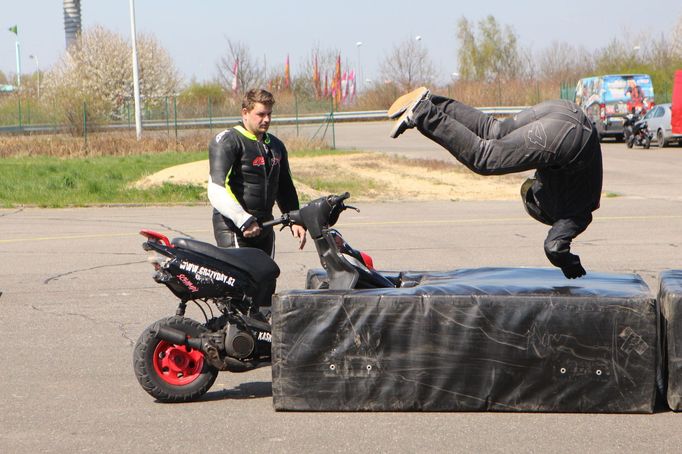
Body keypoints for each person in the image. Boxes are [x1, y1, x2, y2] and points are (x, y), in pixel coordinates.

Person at [388, 88, 603, 279]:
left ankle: (432, 101)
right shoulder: (577, 214)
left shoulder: (570, 188)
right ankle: (424, 110)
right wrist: (569, 264)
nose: (537, 182)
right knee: (485, 158)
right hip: (569, 138)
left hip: (566, 110)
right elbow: (555, 247)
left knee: (493, 130)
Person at [208, 89, 306, 311]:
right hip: (233, 226)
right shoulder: (228, 141)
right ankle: (231, 339)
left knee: (265, 286)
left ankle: (260, 343)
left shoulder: (276, 146)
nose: (267, 119)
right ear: (245, 112)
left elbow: (285, 187)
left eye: (270, 114)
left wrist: (296, 219)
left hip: (265, 226)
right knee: (240, 291)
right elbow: (216, 189)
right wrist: (243, 219)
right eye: (261, 114)